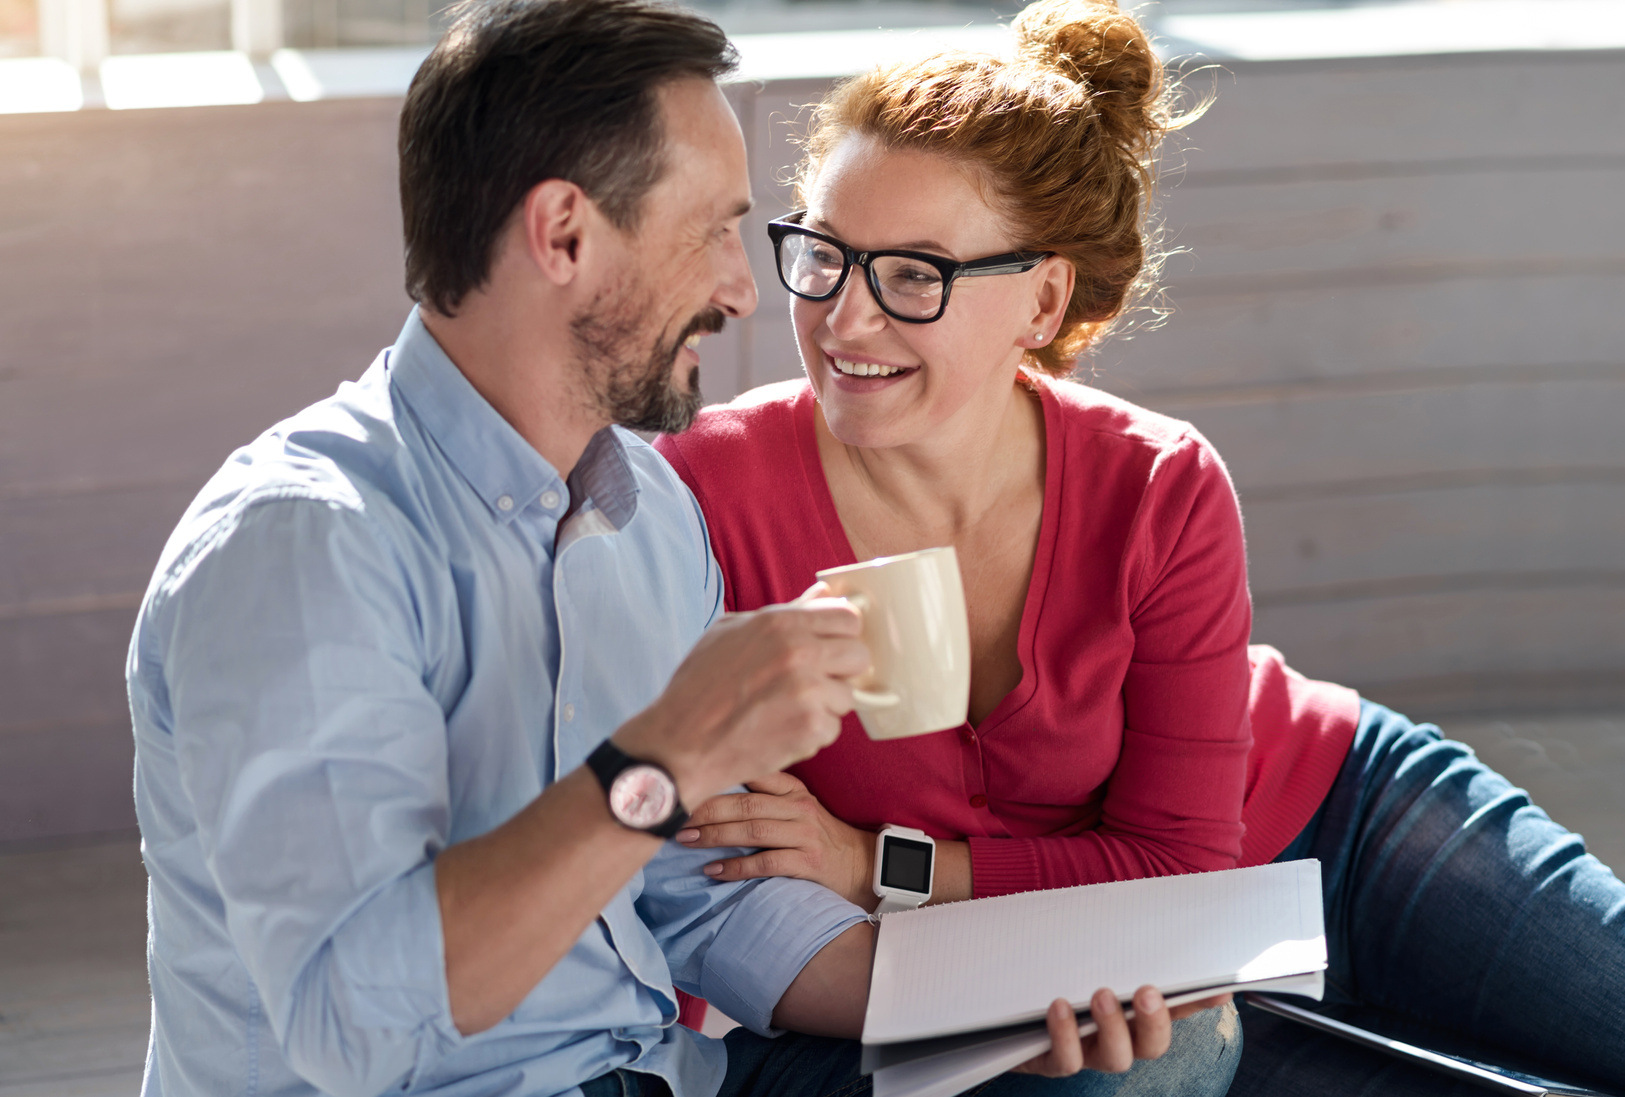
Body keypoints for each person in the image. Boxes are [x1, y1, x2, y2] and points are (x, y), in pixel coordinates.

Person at [124, 1, 1229, 1095]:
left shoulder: (643, 515)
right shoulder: (305, 548)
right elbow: (352, 1026)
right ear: (563, 234)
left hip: (663, 1072)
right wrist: (654, 760)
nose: (745, 289)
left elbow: (715, 894)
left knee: (1137, 1062)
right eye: (708, 230)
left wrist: (993, 1009)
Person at [653, 1, 1625, 1094]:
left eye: (913, 275)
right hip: (1115, 974)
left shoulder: (1157, 482)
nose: (844, 319)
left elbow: (1177, 862)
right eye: (825, 255)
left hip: (1331, 822)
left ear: (1042, 296)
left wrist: (876, 863)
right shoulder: (704, 493)